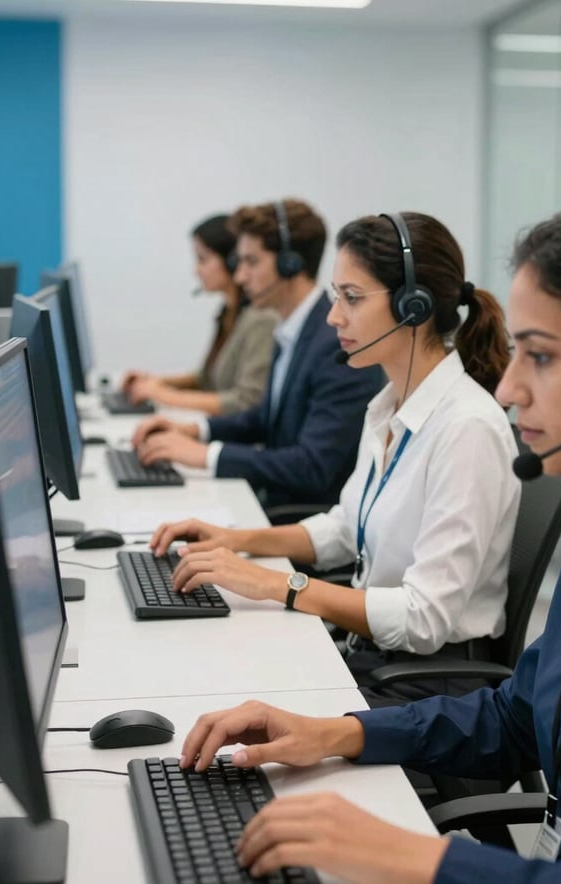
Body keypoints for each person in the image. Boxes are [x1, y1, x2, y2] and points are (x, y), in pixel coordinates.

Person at [175, 203, 561, 882]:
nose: (508, 386)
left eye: (543, 356)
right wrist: (338, 733)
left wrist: (421, 860)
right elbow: (516, 716)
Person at [150, 212, 520, 700]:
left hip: (430, 689)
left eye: (352, 298)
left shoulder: (467, 429)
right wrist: (236, 539)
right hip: (374, 657)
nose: (333, 317)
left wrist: (276, 584)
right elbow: (346, 528)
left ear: (415, 306)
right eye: (334, 297)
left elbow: (425, 619)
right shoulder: (390, 406)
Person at [132, 199, 383, 510]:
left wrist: (207, 456)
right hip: (274, 502)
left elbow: (312, 467)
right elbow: (265, 419)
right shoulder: (291, 330)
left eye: (252, 262)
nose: (240, 277)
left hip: (302, 520)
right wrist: (197, 430)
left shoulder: (336, 343)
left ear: (290, 264)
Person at [121, 214, 278, 416]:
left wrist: (163, 395)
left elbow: (246, 401)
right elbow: (207, 379)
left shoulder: (260, 320)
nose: (196, 271)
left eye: (202, 260)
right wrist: (155, 382)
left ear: (231, 262)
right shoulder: (228, 313)